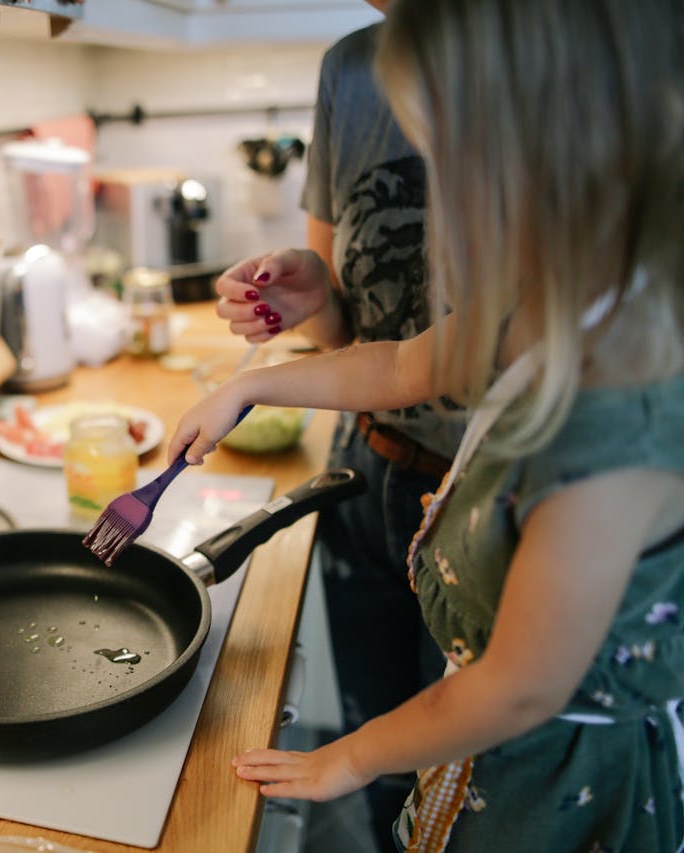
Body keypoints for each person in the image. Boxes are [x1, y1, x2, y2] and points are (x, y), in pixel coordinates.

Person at [172, 0, 684, 849]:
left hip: (554, 790)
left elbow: (520, 687)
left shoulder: (617, 421)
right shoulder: (557, 297)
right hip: (482, 755)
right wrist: (252, 385)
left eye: (456, 160)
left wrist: (354, 756)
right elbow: (401, 364)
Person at [217, 3, 452, 847]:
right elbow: (363, 341)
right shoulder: (353, 68)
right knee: (382, 757)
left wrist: (257, 389)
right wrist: (308, 292)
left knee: (465, 781)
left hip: (493, 498)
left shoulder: (570, 55)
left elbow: (449, 353)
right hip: (369, 470)